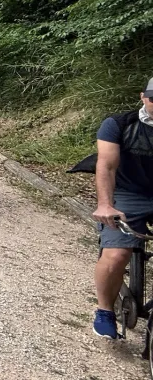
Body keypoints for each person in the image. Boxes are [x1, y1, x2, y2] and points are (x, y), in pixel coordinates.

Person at [89, 78, 153, 338]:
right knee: (116, 256)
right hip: (128, 193)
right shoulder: (119, 125)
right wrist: (105, 204)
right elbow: (106, 166)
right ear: (142, 97)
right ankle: (104, 310)